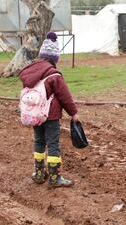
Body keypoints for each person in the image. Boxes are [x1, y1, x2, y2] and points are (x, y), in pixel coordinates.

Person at [19, 32, 79, 188]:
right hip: (50, 116)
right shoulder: (54, 75)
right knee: (53, 144)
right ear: (54, 58)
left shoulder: (30, 71)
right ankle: (54, 178)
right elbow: (65, 96)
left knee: (39, 141)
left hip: (35, 115)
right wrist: (74, 113)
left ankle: (39, 174)